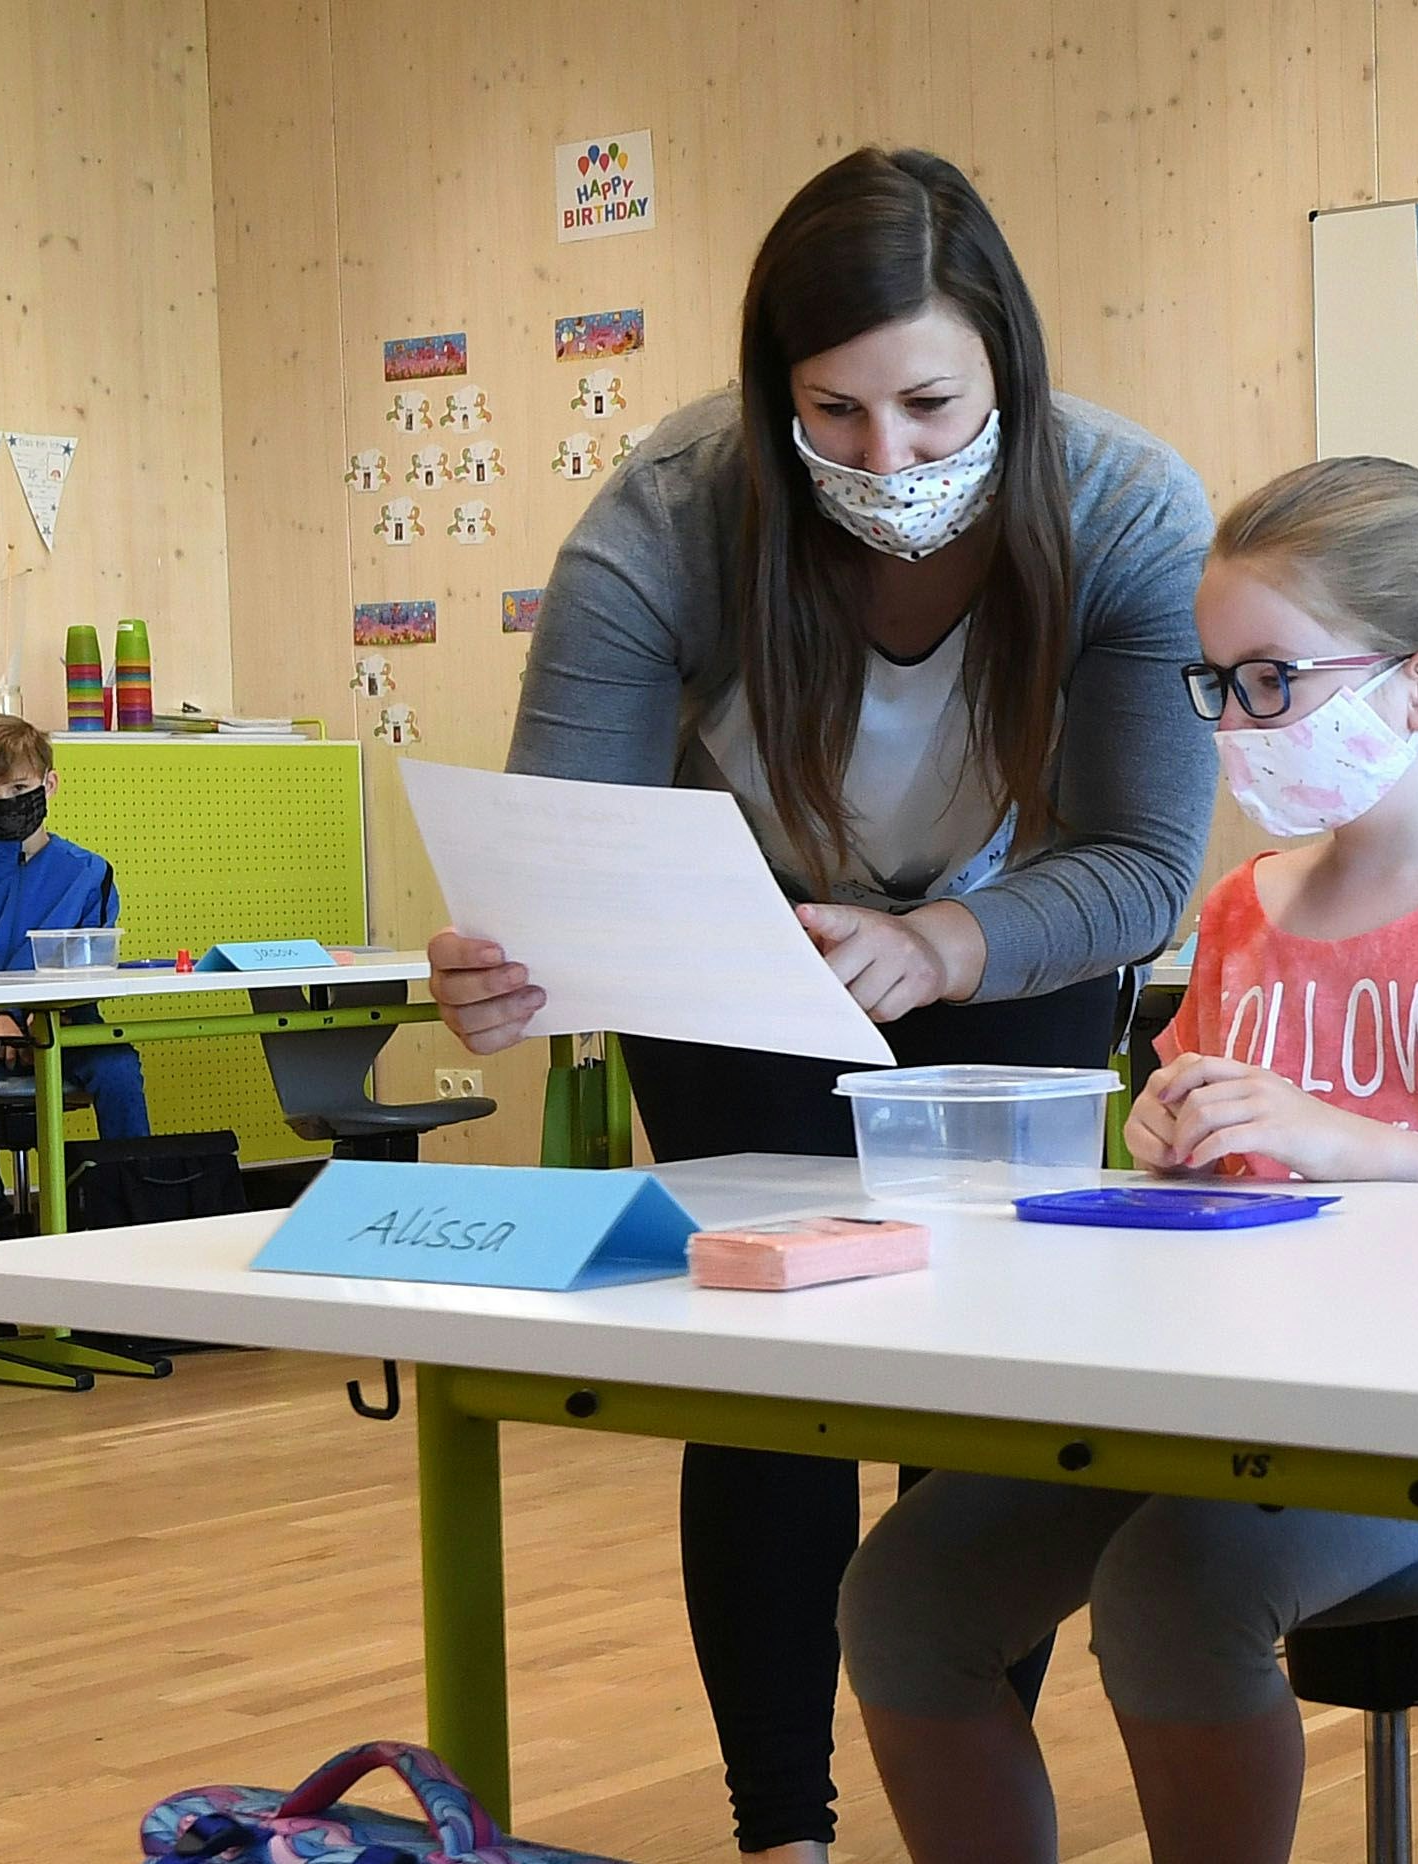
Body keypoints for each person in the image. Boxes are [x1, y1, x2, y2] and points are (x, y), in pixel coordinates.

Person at [423, 148, 1216, 1861]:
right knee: (768, 1390)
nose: (889, 460)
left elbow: (1147, 862)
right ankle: (782, 1826)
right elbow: (565, 847)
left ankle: (960, 1808)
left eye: (931, 406)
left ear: (1005, 367)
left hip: (1016, 939)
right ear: (771, 390)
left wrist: (942, 942)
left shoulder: (1127, 510)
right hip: (741, 956)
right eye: (834, 412)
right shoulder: (666, 519)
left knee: (982, 1403)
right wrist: (513, 963)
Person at [837, 456, 1418, 1864]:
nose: (1232, 722)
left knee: (1178, 1593)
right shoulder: (1243, 909)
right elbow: (1219, 1172)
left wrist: (1354, 1147)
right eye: (1216, 683)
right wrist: (1167, 1142)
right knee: (906, 1593)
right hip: (1236, 1390)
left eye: (1270, 681)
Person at [0, 713, 148, 1208]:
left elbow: (89, 963)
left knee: (118, 1066)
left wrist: (41, 1018)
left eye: (19, 787)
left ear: (49, 784)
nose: (5, 801)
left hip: (67, 1027)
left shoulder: (89, 873)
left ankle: (136, 1205)